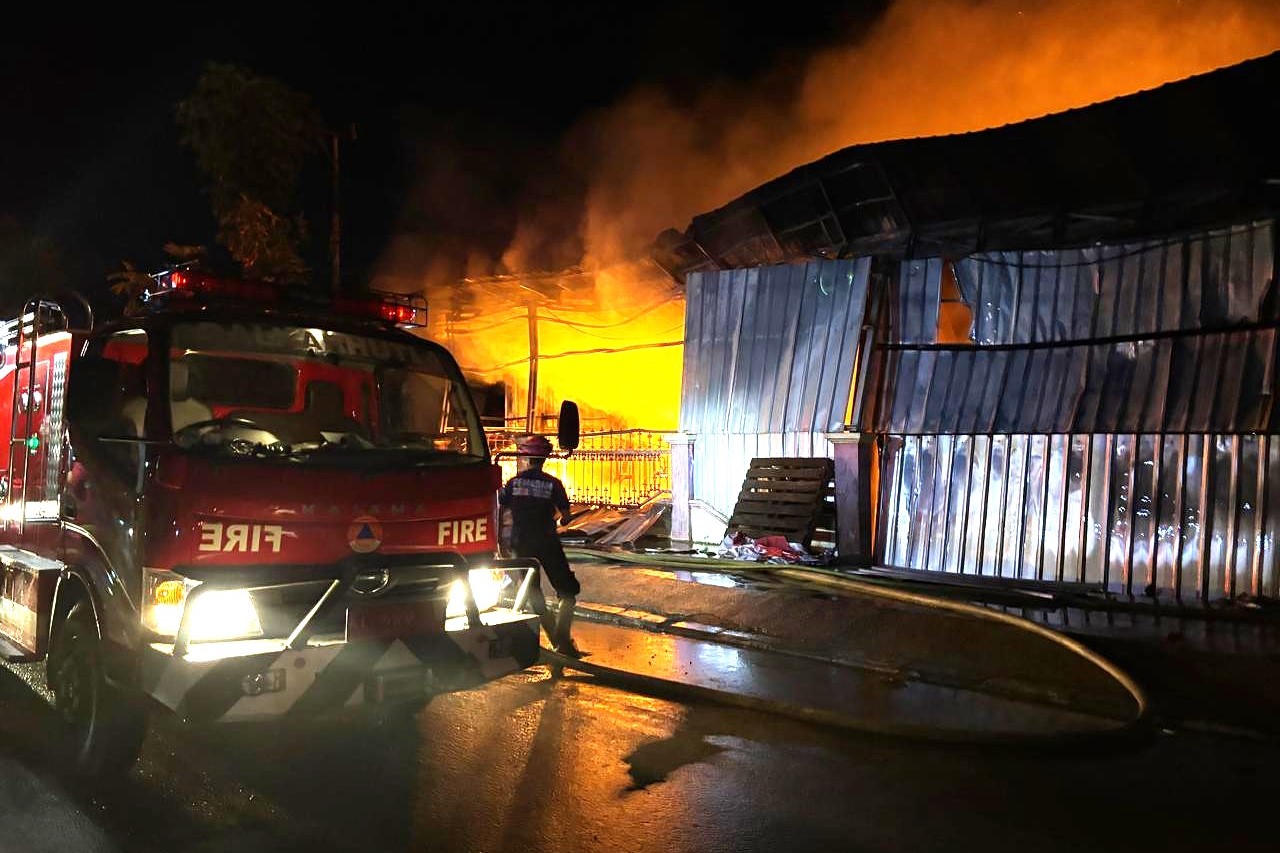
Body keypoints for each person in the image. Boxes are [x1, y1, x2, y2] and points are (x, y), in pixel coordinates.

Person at [499, 434, 586, 658]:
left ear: (525, 458)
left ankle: (555, 639)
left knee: (532, 591)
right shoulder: (553, 484)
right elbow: (565, 517)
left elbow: (502, 512)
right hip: (547, 542)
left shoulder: (513, 483)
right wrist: (560, 518)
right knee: (567, 591)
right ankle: (562, 639)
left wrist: (503, 542)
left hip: (521, 544)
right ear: (544, 459)